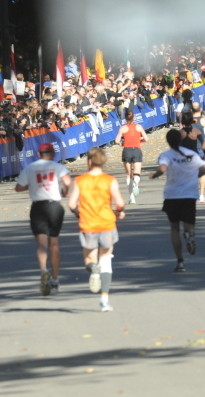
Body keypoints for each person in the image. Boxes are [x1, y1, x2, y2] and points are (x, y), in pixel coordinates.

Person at [67, 147, 126, 312]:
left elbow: (71, 204)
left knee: (89, 259)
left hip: (88, 224)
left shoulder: (80, 180)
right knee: (106, 259)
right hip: (107, 223)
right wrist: (118, 212)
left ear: (89, 161)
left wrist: (79, 214)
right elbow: (120, 203)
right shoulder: (110, 180)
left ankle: (93, 269)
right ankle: (104, 300)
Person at [15, 142, 71, 295]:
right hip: (54, 207)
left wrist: (30, 186)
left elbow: (18, 187)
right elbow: (67, 182)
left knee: (41, 244)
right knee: (54, 243)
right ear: (52, 154)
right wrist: (64, 191)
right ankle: (55, 279)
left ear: (38, 154)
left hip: (38, 208)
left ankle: (43, 271)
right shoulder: (58, 167)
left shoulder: (30, 168)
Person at [151, 129, 205, 272]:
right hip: (189, 194)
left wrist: (156, 174)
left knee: (174, 228)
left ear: (168, 141)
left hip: (172, 195)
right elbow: (202, 169)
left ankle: (180, 261)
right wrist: (194, 174)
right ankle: (189, 235)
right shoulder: (191, 154)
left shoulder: (166, 155)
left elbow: (163, 168)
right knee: (188, 224)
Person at [113, 109, 148, 204]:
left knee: (129, 174)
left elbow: (116, 141)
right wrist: (138, 140)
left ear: (125, 118)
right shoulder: (139, 127)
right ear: (134, 117)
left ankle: (132, 197)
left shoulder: (123, 128)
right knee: (137, 172)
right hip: (137, 150)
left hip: (127, 150)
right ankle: (136, 184)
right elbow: (146, 138)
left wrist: (122, 143)